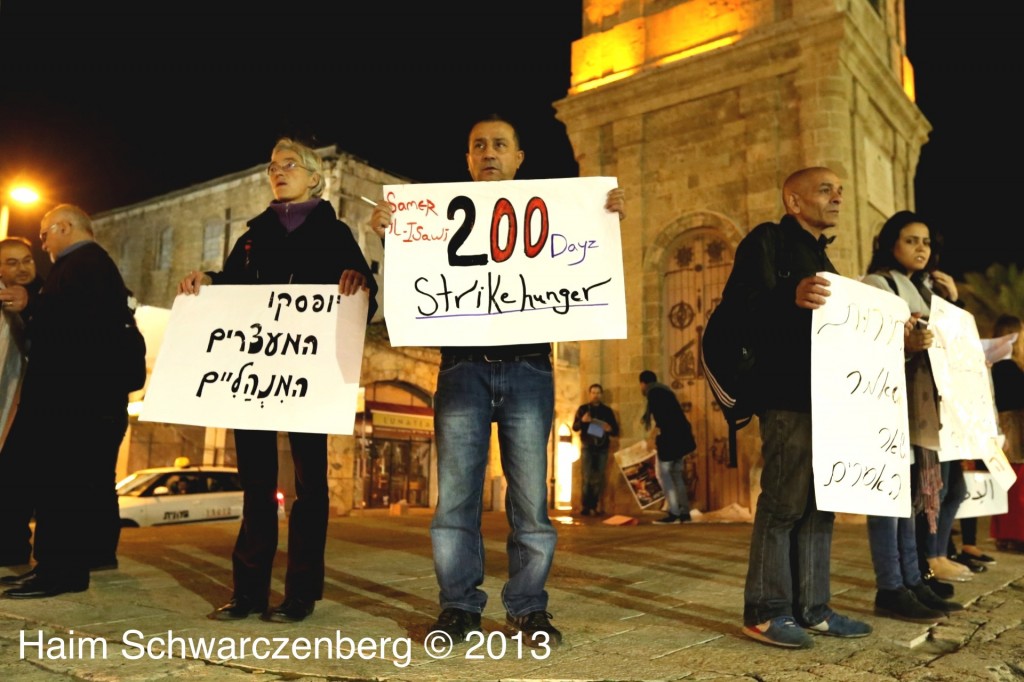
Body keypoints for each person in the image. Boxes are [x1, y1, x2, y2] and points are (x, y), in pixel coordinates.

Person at [367, 113, 626, 647]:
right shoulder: (434, 218)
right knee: (456, 498)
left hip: (529, 368)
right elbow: (418, 275)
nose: (488, 152)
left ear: (518, 158)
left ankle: (528, 607)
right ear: (466, 159)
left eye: (500, 144)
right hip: (462, 369)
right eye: (478, 145)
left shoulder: (555, 214)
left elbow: (581, 264)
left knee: (531, 499)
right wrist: (391, 238)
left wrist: (604, 220)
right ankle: (459, 605)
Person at [178, 137, 377, 623]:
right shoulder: (252, 236)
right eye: (272, 166)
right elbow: (232, 293)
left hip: (308, 379)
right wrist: (207, 279)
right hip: (255, 379)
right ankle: (247, 593)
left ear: (314, 177)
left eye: (290, 165)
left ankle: (301, 593)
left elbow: (363, 298)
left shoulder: (335, 234)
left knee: (309, 488)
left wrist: (360, 284)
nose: (278, 171)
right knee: (257, 486)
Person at [728, 167, 871, 649]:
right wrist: (787, 297)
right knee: (784, 501)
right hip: (787, 394)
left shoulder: (820, 254)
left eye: (840, 189)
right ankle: (766, 612)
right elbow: (739, 308)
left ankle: (813, 608)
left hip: (827, 397)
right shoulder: (768, 241)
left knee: (820, 504)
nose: (837, 197)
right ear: (793, 201)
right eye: (825, 189)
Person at [0, 204, 136, 598]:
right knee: (59, 486)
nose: (43, 243)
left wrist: (32, 306)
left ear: (64, 227)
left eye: (44, 235)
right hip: (75, 398)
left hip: (76, 400)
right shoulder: (84, 266)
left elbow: (75, 328)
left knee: (66, 487)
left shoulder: (84, 265)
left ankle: (62, 571)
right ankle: (52, 567)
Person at [860, 210, 965, 621]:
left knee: (906, 499)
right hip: (888, 405)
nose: (921, 248)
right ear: (891, 244)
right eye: (911, 240)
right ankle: (890, 587)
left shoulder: (925, 288)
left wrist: (953, 302)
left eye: (926, 242)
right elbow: (864, 344)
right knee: (887, 499)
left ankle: (912, 580)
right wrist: (906, 344)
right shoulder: (876, 286)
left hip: (919, 409)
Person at [0, 236, 40, 567]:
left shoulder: (44, 296)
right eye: (12, 262)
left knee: (15, 485)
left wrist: (31, 306)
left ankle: (12, 551)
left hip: (24, 408)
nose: (22, 267)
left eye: (27, 259)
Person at [638, 370, 695, 525]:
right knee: (676, 475)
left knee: (664, 474)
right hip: (681, 438)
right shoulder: (665, 391)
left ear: (643, 383)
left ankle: (674, 513)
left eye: (640, 385)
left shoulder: (654, 393)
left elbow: (662, 419)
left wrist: (652, 438)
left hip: (671, 439)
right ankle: (684, 514)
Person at [989, 314, 1024, 551]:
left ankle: (1005, 534)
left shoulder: (995, 365)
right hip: (1013, 428)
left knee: (1006, 483)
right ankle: (1015, 535)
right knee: (1016, 483)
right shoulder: (1009, 366)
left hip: (1003, 425)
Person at [572, 383, 620, 516]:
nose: (595, 395)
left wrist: (609, 429)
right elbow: (575, 427)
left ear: (601, 394)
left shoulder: (607, 411)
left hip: (602, 447)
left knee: (599, 477)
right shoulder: (583, 409)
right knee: (587, 477)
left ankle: (595, 505)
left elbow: (615, 430)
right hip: (587, 446)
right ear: (589, 394)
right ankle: (586, 506)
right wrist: (583, 421)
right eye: (593, 392)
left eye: (598, 392)